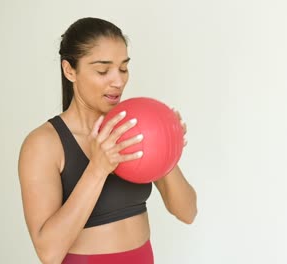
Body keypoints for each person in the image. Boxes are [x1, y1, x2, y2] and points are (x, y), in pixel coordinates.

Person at [18, 17, 197, 264]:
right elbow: (48, 253)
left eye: (123, 68)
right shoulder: (43, 144)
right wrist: (98, 168)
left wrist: (167, 149)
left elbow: (187, 212)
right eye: (103, 70)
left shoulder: (134, 127)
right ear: (69, 70)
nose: (118, 81)